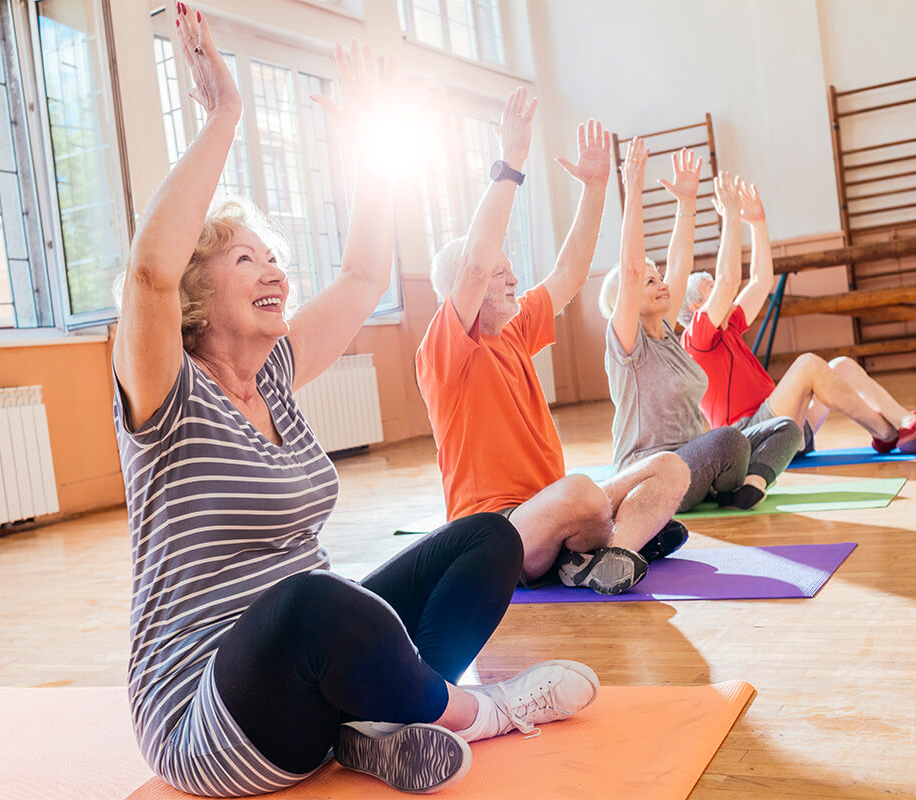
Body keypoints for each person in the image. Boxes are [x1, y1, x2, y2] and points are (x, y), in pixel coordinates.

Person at [112, 7, 598, 796]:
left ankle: (382, 722)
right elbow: (147, 275)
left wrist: (369, 143)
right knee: (315, 602)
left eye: (276, 257)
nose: (275, 271)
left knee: (488, 539)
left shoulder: (273, 375)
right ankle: (481, 710)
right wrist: (226, 114)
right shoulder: (166, 396)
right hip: (208, 714)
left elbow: (365, 274)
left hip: (310, 681)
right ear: (198, 294)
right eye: (247, 259)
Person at [417, 90, 690, 598]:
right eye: (501, 273)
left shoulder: (516, 326)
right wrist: (511, 164)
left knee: (671, 468)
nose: (513, 278)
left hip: (553, 505)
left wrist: (596, 187)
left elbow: (570, 271)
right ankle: (599, 544)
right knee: (583, 494)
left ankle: (612, 552)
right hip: (493, 533)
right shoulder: (445, 347)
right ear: (467, 288)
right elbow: (475, 261)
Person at [678, 174, 916, 456]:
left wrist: (757, 223)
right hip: (750, 441)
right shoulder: (696, 340)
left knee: (841, 366)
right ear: (694, 308)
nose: (720, 291)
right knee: (807, 366)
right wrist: (729, 218)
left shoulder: (728, 327)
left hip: (783, 427)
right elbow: (729, 279)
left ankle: (904, 422)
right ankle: (888, 433)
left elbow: (760, 280)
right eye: (710, 289)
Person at [599, 141, 802, 511]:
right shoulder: (627, 345)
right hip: (653, 475)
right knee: (728, 441)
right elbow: (629, 271)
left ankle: (748, 485)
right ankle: (729, 480)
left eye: (657, 277)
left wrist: (687, 203)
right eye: (649, 282)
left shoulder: (670, 337)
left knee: (786, 428)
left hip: (697, 460)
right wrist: (633, 185)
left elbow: (679, 264)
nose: (662, 283)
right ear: (626, 300)